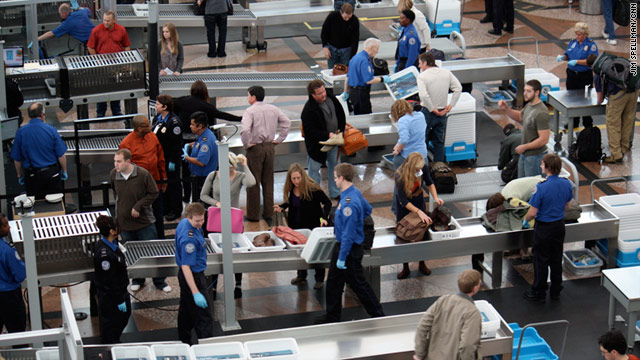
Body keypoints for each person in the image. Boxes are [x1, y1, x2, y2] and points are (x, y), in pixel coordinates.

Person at [317, 163, 385, 323]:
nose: (334, 180)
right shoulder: (352, 193)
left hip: (348, 250)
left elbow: (347, 235)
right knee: (334, 283)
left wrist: (342, 257)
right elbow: (367, 209)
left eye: (334, 177)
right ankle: (332, 317)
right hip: (345, 247)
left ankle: (378, 314)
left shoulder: (349, 203)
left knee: (359, 284)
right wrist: (356, 223)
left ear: (341, 177)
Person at [173, 80, 241, 202]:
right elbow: (221, 115)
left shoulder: (181, 101)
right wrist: (240, 118)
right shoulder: (206, 107)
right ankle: (201, 198)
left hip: (184, 141)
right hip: (198, 140)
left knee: (186, 172)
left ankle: (187, 195)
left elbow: (171, 105)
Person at [110, 149, 167, 293]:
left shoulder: (143, 174)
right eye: (115, 161)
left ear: (128, 162)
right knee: (131, 253)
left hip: (144, 223)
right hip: (125, 224)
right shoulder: (114, 175)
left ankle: (159, 281)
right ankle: (138, 279)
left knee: (152, 251)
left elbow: (153, 193)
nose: (116, 164)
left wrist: (138, 206)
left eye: (119, 161)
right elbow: (116, 194)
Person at [200, 153, 255, 298]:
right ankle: (212, 284)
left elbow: (251, 183)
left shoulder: (239, 176)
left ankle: (237, 284)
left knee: (236, 252)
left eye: (229, 166)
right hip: (216, 218)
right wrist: (216, 203)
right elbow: (203, 195)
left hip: (233, 219)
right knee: (214, 252)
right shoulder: (212, 176)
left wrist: (245, 165)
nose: (225, 169)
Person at [522, 154, 573, 302]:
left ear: (548, 167)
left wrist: (525, 221)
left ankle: (539, 291)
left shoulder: (541, 187)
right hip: (559, 226)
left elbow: (532, 212)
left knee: (541, 260)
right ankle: (556, 289)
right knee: (556, 258)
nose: (540, 166)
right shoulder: (566, 184)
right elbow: (567, 205)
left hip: (544, 228)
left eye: (542, 164)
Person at [274, 163, 332, 289]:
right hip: (297, 225)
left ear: (303, 177)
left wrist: (325, 218)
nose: (296, 181)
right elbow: (291, 203)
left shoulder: (313, 189)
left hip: (313, 226)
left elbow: (327, 203)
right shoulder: (292, 189)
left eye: (298, 178)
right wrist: (282, 207)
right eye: (293, 179)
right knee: (299, 251)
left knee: (317, 251)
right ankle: (301, 275)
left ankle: (319, 278)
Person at [241, 86, 291, 224]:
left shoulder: (249, 111)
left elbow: (245, 130)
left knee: (253, 182)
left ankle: (253, 215)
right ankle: (268, 212)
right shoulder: (273, 109)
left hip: (255, 148)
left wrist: (247, 144)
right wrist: (279, 139)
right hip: (270, 147)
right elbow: (287, 122)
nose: (248, 98)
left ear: (253, 97)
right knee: (268, 181)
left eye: (249, 95)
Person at [413, 270, 482, 360]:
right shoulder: (472, 312)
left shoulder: (443, 300)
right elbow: (467, 345)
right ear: (475, 288)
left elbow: (422, 327)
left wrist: (419, 354)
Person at [394, 153, 443, 279]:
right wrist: (418, 212)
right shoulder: (399, 175)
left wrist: (436, 197)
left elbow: (430, 182)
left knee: (422, 232)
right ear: (411, 167)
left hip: (418, 201)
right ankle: (405, 267)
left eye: (420, 168)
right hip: (404, 208)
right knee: (404, 235)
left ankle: (422, 263)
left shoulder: (423, 168)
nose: (419, 171)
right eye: (417, 169)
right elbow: (403, 201)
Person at [119, 115, 167, 239]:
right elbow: (122, 169)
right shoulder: (126, 144)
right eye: (147, 125)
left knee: (158, 214)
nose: (151, 127)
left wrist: (164, 178)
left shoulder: (152, 137)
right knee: (143, 217)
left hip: (155, 184)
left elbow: (160, 157)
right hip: (139, 189)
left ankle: (160, 240)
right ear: (139, 128)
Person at [11, 102, 68, 199]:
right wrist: (64, 170)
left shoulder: (21, 132)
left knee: (36, 206)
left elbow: (17, 159)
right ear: (42, 115)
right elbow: (61, 155)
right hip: (51, 175)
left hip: (32, 176)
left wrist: (20, 175)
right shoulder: (51, 130)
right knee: (55, 206)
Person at [175, 203, 214, 345]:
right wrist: (196, 292)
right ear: (189, 217)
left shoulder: (185, 223)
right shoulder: (188, 239)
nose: (200, 223)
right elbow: (186, 267)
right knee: (203, 316)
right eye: (197, 221)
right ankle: (205, 346)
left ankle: (184, 340)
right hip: (192, 277)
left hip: (189, 275)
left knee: (186, 310)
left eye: (202, 219)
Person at [301, 79, 346, 199]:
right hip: (317, 145)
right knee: (314, 170)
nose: (323, 95)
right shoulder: (308, 110)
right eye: (319, 94)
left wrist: (340, 131)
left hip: (334, 141)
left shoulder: (331, 98)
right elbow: (310, 130)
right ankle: (315, 195)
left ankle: (335, 192)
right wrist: (327, 135)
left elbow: (340, 114)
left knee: (335, 167)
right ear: (312, 95)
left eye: (323, 91)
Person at [589, 54, 637, 164]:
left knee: (613, 123)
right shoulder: (611, 59)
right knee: (628, 120)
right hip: (633, 90)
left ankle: (616, 155)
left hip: (618, 95)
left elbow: (600, 99)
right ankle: (624, 148)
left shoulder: (598, 71)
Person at [498, 80, 550, 178]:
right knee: (522, 184)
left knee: (531, 187)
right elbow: (519, 116)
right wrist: (506, 109)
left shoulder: (541, 112)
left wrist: (525, 147)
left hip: (535, 157)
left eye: (528, 91)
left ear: (537, 92)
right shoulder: (529, 106)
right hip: (525, 155)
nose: (525, 94)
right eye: (524, 90)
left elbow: (544, 139)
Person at [417, 52, 462, 162]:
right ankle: (439, 166)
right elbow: (458, 88)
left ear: (425, 63)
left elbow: (423, 95)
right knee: (439, 141)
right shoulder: (446, 73)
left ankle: (424, 165)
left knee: (422, 140)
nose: (419, 66)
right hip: (443, 112)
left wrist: (433, 109)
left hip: (427, 112)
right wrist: (450, 106)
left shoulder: (422, 76)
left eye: (420, 64)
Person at [93, 215, 131, 344]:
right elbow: (110, 280)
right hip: (112, 297)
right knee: (112, 326)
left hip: (119, 292)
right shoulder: (105, 254)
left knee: (122, 319)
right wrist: (120, 300)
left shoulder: (112, 243)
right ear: (112, 231)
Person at [87, 10, 131, 117]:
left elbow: (126, 46)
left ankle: (116, 110)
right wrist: (97, 59)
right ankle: (100, 112)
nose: (106, 23)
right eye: (104, 20)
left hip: (117, 64)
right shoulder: (96, 30)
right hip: (102, 64)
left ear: (114, 20)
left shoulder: (121, 30)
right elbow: (90, 47)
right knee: (101, 88)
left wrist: (126, 60)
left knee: (116, 87)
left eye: (108, 21)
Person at [556, 22, 598, 128]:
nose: (577, 37)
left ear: (585, 34)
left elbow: (591, 61)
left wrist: (577, 62)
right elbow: (568, 54)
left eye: (579, 35)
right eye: (576, 34)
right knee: (572, 98)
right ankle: (573, 122)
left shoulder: (591, 45)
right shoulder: (573, 42)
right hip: (572, 75)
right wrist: (563, 57)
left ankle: (588, 124)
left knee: (585, 99)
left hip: (584, 76)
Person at [152, 95, 183, 221]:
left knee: (173, 184)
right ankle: (165, 207)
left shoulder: (174, 122)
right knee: (163, 184)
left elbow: (176, 145)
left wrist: (172, 161)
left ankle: (175, 210)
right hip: (159, 158)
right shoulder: (157, 119)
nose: (156, 106)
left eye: (158, 104)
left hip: (170, 159)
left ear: (165, 107)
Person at [344, 38, 389, 115]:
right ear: (371, 48)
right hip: (361, 93)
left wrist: (346, 91)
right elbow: (368, 80)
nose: (377, 51)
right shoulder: (364, 60)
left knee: (357, 114)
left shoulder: (355, 58)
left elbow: (347, 77)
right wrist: (382, 79)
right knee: (365, 115)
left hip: (353, 92)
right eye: (377, 49)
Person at [0, 214, 27, 336]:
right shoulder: (7, 250)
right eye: (5, 225)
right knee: (18, 334)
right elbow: (20, 275)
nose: (9, 227)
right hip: (9, 297)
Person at [184, 112, 218, 203]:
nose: (190, 126)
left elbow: (201, 162)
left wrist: (187, 158)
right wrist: (190, 145)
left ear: (200, 126)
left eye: (192, 124)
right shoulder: (203, 135)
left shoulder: (207, 140)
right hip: (199, 176)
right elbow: (198, 144)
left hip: (203, 178)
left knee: (201, 203)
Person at [321, 3, 360, 69]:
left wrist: (352, 56)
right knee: (331, 71)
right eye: (345, 17)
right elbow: (324, 32)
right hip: (332, 50)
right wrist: (325, 47)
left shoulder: (355, 21)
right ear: (341, 12)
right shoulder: (332, 16)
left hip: (346, 51)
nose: (347, 19)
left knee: (345, 72)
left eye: (349, 17)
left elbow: (355, 40)